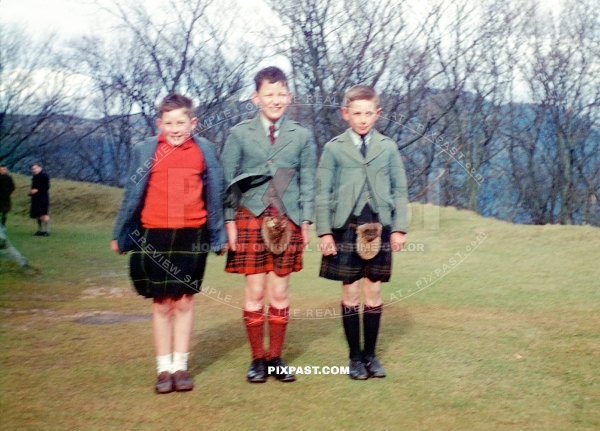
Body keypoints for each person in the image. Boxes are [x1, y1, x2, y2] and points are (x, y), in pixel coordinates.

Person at [111, 93, 226, 394]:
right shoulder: (145, 150)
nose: (175, 129)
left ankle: (181, 368)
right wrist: (119, 233)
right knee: (162, 304)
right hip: (155, 235)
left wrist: (218, 235)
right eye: (169, 123)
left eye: (181, 122)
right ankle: (164, 370)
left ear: (193, 122)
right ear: (159, 123)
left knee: (185, 301)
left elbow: (216, 196)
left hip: (192, 235)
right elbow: (131, 195)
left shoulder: (206, 151)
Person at [221, 66, 316, 383]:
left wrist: (305, 220)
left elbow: (308, 182)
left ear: (289, 97)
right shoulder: (239, 134)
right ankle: (256, 360)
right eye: (268, 94)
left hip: (286, 220)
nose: (275, 100)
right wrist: (228, 223)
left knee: (279, 290)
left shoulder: (301, 136)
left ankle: (275, 358)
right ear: (255, 97)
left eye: (281, 94)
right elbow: (228, 181)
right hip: (249, 216)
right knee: (255, 290)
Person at [316, 84, 409, 380]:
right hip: (345, 226)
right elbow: (321, 192)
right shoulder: (333, 148)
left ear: (378, 113)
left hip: (379, 227)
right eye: (357, 113)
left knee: (374, 290)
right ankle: (354, 357)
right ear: (346, 114)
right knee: (350, 292)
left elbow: (400, 189)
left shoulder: (389, 147)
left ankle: (371, 355)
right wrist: (324, 233)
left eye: (369, 113)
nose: (363, 119)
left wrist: (399, 229)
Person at [29, 162, 50, 236]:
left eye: (35, 168)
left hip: (43, 197)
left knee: (44, 213)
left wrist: (37, 190)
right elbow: (33, 187)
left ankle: (47, 231)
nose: (34, 170)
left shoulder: (44, 176)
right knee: (37, 214)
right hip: (36, 198)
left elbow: (46, 187)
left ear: (40, 168)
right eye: (33, 169)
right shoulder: (34, 177)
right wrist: (31, 192)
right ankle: (40, 230)